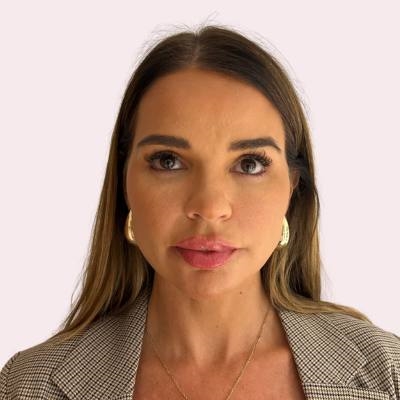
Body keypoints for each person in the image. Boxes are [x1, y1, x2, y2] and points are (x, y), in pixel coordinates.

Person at [1, 24, 399, 400]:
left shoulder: (389, 373)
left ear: (293, 187)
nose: (209, 208)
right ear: (124, 182)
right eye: (168, 161)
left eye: (249, 164)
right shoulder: (27, 387)